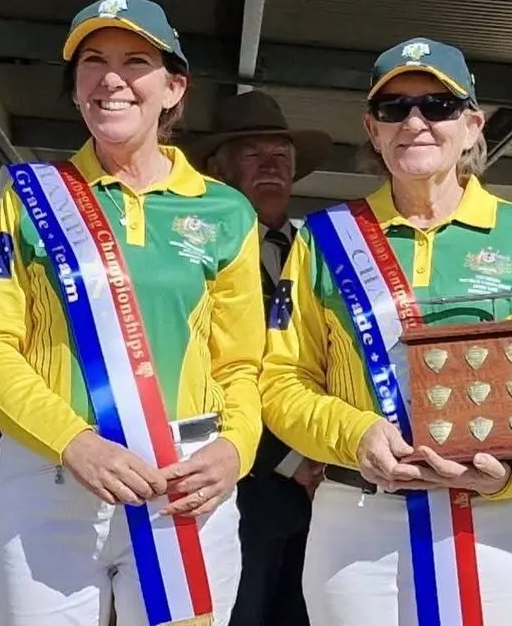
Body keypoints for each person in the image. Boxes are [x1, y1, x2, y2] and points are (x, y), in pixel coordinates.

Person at [0, 0, 265, 625]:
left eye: (136, 61)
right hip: (50, 484)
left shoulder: (226, 211)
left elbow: (242, 366)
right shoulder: (31, 196)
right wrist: (75, 443)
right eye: (92, 61)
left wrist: (236, 448)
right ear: (75, 90)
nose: (111, 78)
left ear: (174, 88)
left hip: (184, 489)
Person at [259, 37, 512, 625]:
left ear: (472, 124)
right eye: (393, 108)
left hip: (492, 517)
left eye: (438, 105)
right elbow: (281, 381)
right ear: (372, 129)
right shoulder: (323, 237)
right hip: (355, 517)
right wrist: (355, 433)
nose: (415, 121)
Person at [191, 90, 333, 626]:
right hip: (241, 489)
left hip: (325, 498)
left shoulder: (315, 250)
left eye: (283, 156)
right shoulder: (195, 258)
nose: (273, 167)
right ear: (217, 168)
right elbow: (217, 367)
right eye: (255, 155)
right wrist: (295, 462)